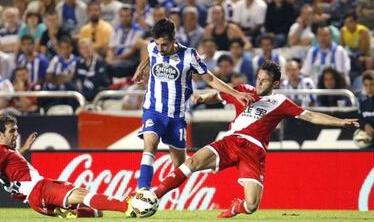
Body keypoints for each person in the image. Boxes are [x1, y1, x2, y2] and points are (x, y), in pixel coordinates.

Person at [142, 60, 358, 218]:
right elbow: (218, 95)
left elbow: (310, 116)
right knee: (192, 162)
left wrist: (341, 122)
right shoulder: (243, 91)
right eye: (259, 78)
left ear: (275, 83)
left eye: (265, 81)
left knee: (252, 205)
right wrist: (201, 98)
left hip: (254, 152)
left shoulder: (280, 102)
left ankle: (236, 208)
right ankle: (154, 196)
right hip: (230, 142)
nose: (259, 83)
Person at [131, 18, 254, 190]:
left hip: (177, 116)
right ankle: (142, 191)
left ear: (174, 39)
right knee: (149, 146)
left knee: (181, 167)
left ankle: (159, 193)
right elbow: (150, 54)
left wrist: (235, 93)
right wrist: (141, 68)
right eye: (158, 45)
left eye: (164, 45)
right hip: (154, 110)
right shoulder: (153, 47)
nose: (160, 49)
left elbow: (210, 78)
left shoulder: (189, 55)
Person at [0, 114, 135, 218]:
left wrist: (25, 148)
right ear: (0, 134)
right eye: (12, 131)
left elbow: (12, 164)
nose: (16, 133)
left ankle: (72, 214)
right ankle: (126, 207)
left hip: (34, 201)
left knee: (95, 212)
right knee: (82, 194)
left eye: (16, 130)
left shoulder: (6, 152)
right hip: (40, 188)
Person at [358, 71, 374, 147]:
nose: (369, 88)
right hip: (368, 144)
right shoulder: (363, 104)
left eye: (372, 84)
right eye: (366, 85)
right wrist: (365, 125)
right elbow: (360, 118)